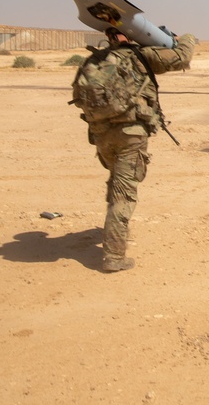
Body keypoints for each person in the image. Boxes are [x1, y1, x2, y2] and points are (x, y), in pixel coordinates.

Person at [71, 26, 197, 273]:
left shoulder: (94, 60)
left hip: (101, 134)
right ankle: (114, 255)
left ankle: (118, 231)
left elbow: (78, 96)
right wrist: (188, 39)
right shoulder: (140, 56)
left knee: (116, 181)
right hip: (131, 134)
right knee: (124, 192)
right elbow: (182, 58)